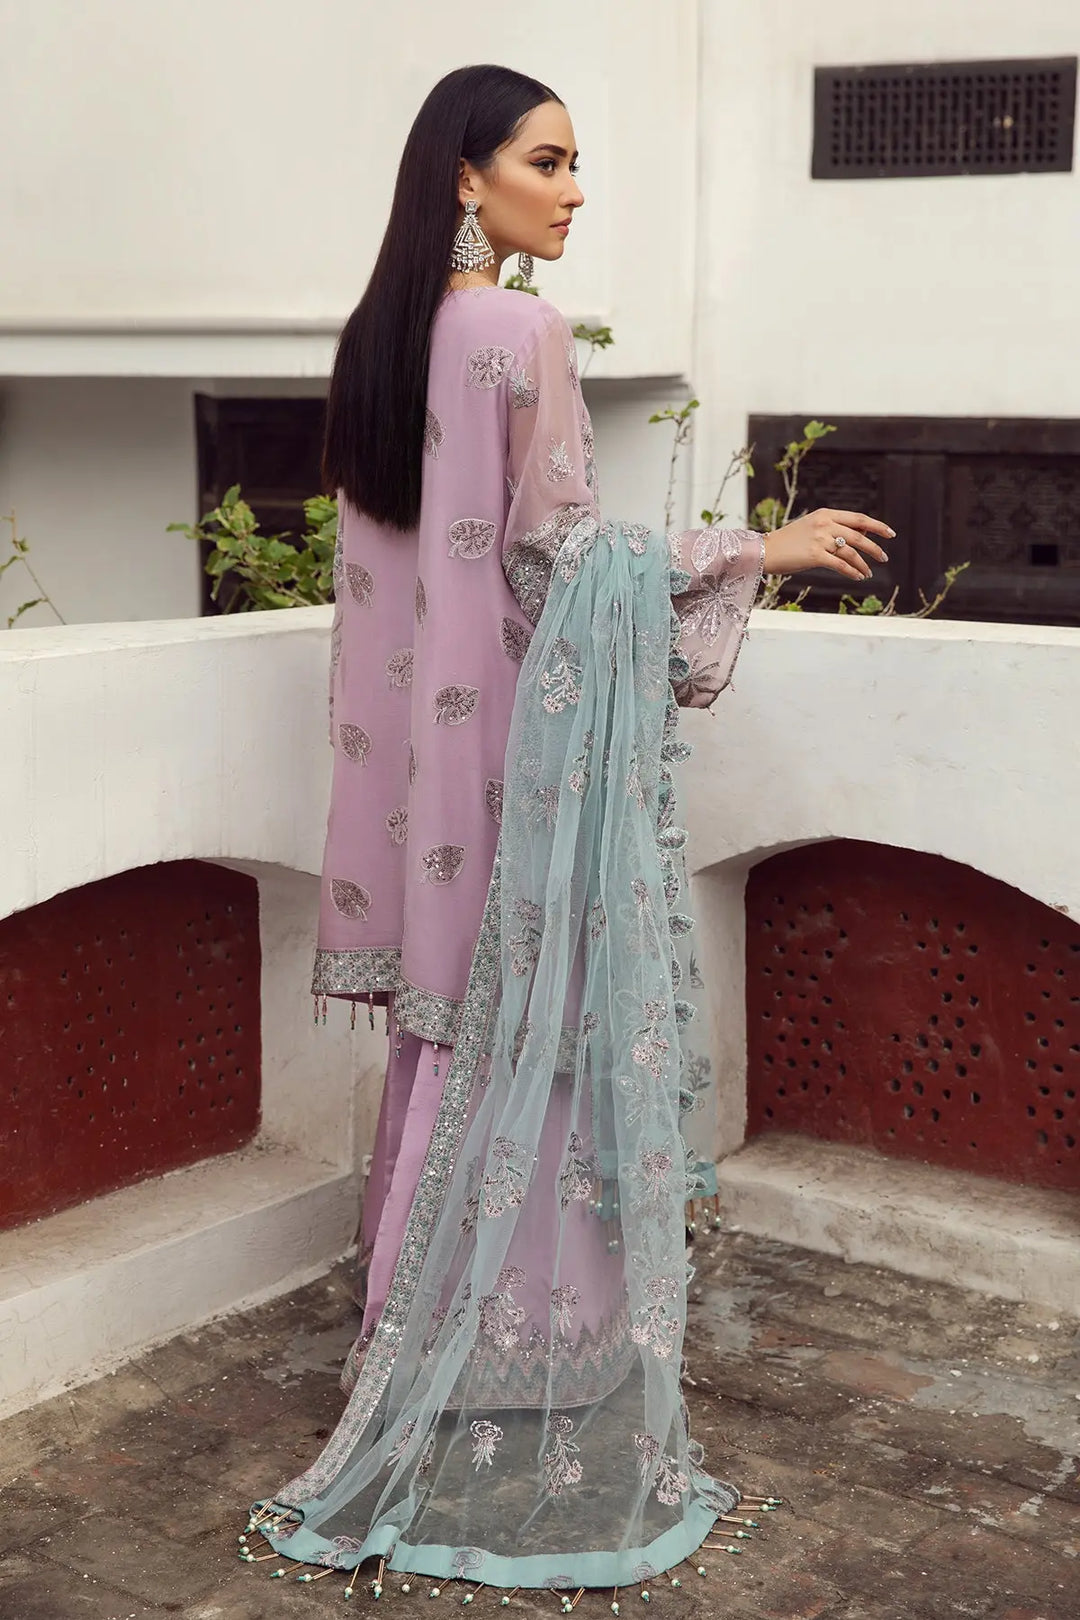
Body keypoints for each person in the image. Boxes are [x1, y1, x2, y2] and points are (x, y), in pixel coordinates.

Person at [244, 63, 892, 1600]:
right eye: (548, 161)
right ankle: (523, 1339)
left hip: (420, 775)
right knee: (530, 1033)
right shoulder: (516, 329)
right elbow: (562, 556)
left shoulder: (381, 338)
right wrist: (759, 543)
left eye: (576, 162)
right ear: (466, 176)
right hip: (513, 771)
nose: (575, 190)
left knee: (456, 1041)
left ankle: (419, 1334)